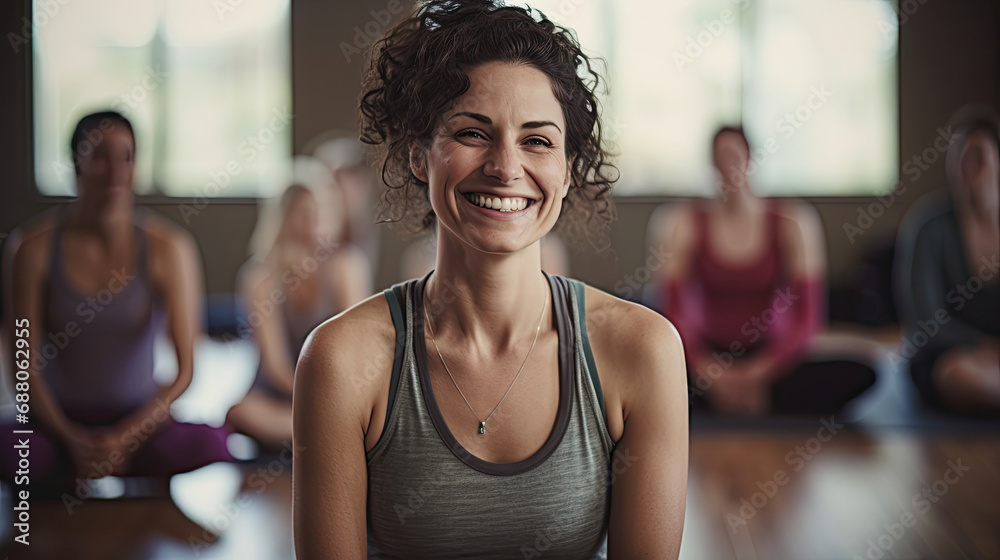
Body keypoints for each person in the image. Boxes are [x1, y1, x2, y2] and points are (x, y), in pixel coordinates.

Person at [292, 1, 689, 558]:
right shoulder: (341, 358)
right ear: (418, 154)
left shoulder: (643, 350)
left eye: (537, 140)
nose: (506, 167)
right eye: (473, 133)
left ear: (568, 169)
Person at [1, 111, 232, 485]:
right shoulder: (31, 248)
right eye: (100, 156)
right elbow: (22, 368)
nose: (115, 170)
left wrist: (124, 439)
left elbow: (186, 368)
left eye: (126, 156)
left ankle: (109, 462)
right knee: (13, 453)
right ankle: (78, 461)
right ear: (75, 164)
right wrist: (72, 439)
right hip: (56, 422)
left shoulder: (168, 248)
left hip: (138, 421)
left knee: (210, 443)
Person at [651, 126, 876, 416]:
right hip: (707, 355)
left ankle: (742, 398)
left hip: (771, 356)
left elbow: (808, 320)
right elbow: (670, 312)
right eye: (719, 157)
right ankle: (744, 400)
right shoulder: (682, 223)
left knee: (862, 373)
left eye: (734, 155)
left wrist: (758, 373)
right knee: (648, 375)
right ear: (711, 164)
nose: (728, 165)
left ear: (751, 158)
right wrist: (710, 372)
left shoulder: (792, 222)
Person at [226, 183, 371, 449]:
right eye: (304, 211)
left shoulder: (347, 265)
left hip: (335, 386)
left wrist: (335, 395)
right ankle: (325, 431)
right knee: (241, 413)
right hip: (283, 391)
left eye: (321, 209)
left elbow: (357, 345)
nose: (314, 218)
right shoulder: (260, 278)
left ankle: (314, 431)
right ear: (285, 216)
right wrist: (312, 401)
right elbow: (275, 364)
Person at [894, 104, 1000, 414]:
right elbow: (925, 321)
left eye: (978, 156)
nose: (968, 167)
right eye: (959, 157)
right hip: (952, 357)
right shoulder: (927, 226)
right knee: (963, 377)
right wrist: (987, 348)